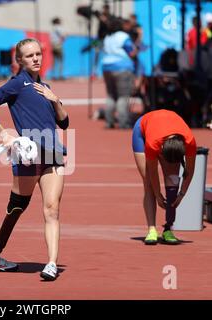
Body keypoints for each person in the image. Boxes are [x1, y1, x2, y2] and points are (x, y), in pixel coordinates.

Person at [0, 38, 69, 281]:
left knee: (52, 209)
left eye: (38, 54)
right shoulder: (17, 84)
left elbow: (64, 122)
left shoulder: (45, 86)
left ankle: (51, 263)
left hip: (53, 153)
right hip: (28, 155)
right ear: (19, 60)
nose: (36, 59)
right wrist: (2, 134)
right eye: (29, 56)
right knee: (17, 208)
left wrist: (55, 99)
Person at [132, 109, 197, 245]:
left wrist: (181, 194)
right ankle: (152, 229)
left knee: (173, 181)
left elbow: (190, 170)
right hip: (142, 131)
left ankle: (168, 228)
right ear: (161, 150)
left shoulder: (189, 141)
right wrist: (157, 194)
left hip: (167, 135)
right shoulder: (152, 143)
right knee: (148, 182)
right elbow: (153, 171)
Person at [102, 18, 137, 129]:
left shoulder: (108, 37)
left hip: (106, 67)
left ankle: (109, 121)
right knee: (123, 96)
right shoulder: (123, 36)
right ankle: (123, 122)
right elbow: (131, 52)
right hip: (122, 67)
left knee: (111, 95)